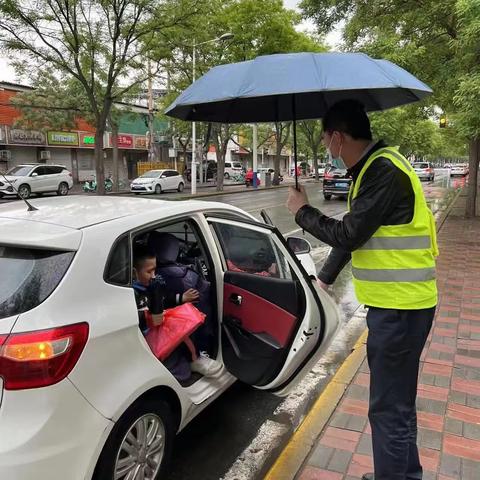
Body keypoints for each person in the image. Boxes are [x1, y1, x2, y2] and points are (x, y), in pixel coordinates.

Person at [286, 99, 438, 480]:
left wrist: (301, 212)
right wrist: (325, 276)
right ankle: (405, 475)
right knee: (398, 405)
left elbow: (349, 233)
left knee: (388, 409)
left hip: (400, 309)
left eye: (325, 141)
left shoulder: (382, 171)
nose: (326, 150)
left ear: (338, 138)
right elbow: (360, 233)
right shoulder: (375, 167)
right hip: (401, 306)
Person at [133, 245, 222, 379]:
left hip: (157, 329)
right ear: (134, 272)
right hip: (142, 339)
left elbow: (164, 299)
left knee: (183, 321)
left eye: (155, 270)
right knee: (182, 373)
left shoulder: (152, 284)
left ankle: (194, 358)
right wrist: (147, 318)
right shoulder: (130, 293)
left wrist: (181, 298)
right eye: (149, 271)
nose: (153, 275)